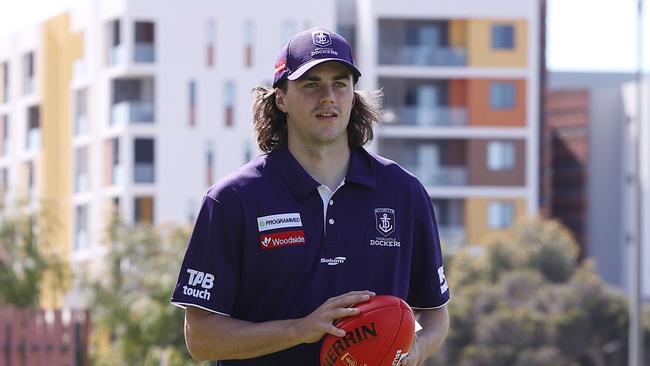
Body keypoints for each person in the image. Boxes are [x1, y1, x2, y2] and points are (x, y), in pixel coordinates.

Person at [171, 28, 450, 365]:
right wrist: (300, 330)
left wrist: (414, 349)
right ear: (281, 98)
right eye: (311, 84)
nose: (328, 96)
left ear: (353, 95)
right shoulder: (233, 199)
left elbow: (434, 316)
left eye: (340, 83)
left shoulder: (404, 192)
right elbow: (201, 338)